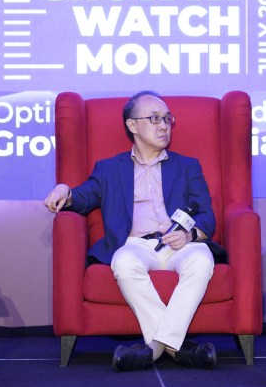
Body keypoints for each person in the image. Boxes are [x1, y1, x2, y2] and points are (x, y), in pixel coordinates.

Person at [43, 90, 220, 372]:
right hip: (136, 244)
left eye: (167, 119)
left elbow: (206, 215)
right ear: (132, 125)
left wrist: (189, 235)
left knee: (201, 260)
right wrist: (65, 189)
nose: (164, 126)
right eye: (154, 118)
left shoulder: (187, 166)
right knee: (123, 263)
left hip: (180, 244)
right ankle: (178, 349)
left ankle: (152, 349)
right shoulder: (109, 169)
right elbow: (84, 196)